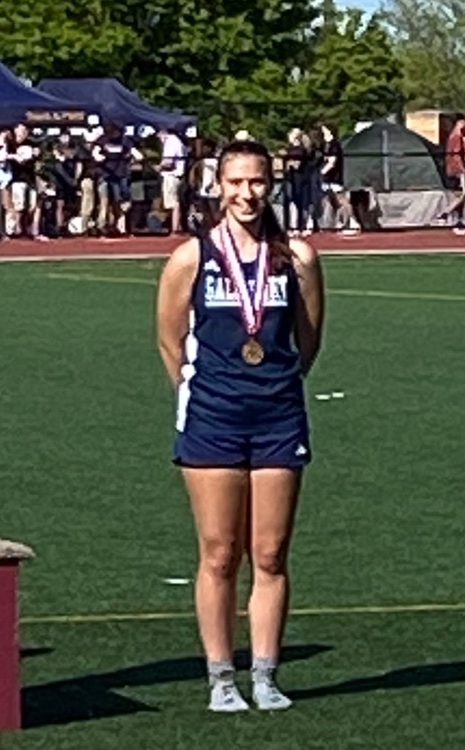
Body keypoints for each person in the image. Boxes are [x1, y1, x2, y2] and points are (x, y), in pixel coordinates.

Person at [156, 139, 324, 713]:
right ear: (218, 186)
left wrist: (275, 384)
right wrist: (201, 392)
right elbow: (169, 340)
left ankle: (266, 675)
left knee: (271, 553)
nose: (246, 194)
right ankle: (221, 677)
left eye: (256, 182)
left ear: (270, 185)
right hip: (213, 417)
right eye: (235, 183)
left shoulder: (297, 258)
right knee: (219, 552)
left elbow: (308, 339)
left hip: (278, 416)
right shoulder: (191, 258)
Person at [439, 113, 465, 235]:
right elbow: (456, 154)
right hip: (456, 170)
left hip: (452, 168)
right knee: (463, 194)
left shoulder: (453, 136)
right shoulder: (456, 136)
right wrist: (461, 169)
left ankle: (458, 223)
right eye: (463, 122)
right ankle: (444, 214)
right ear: (459, 123)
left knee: (459, 196)